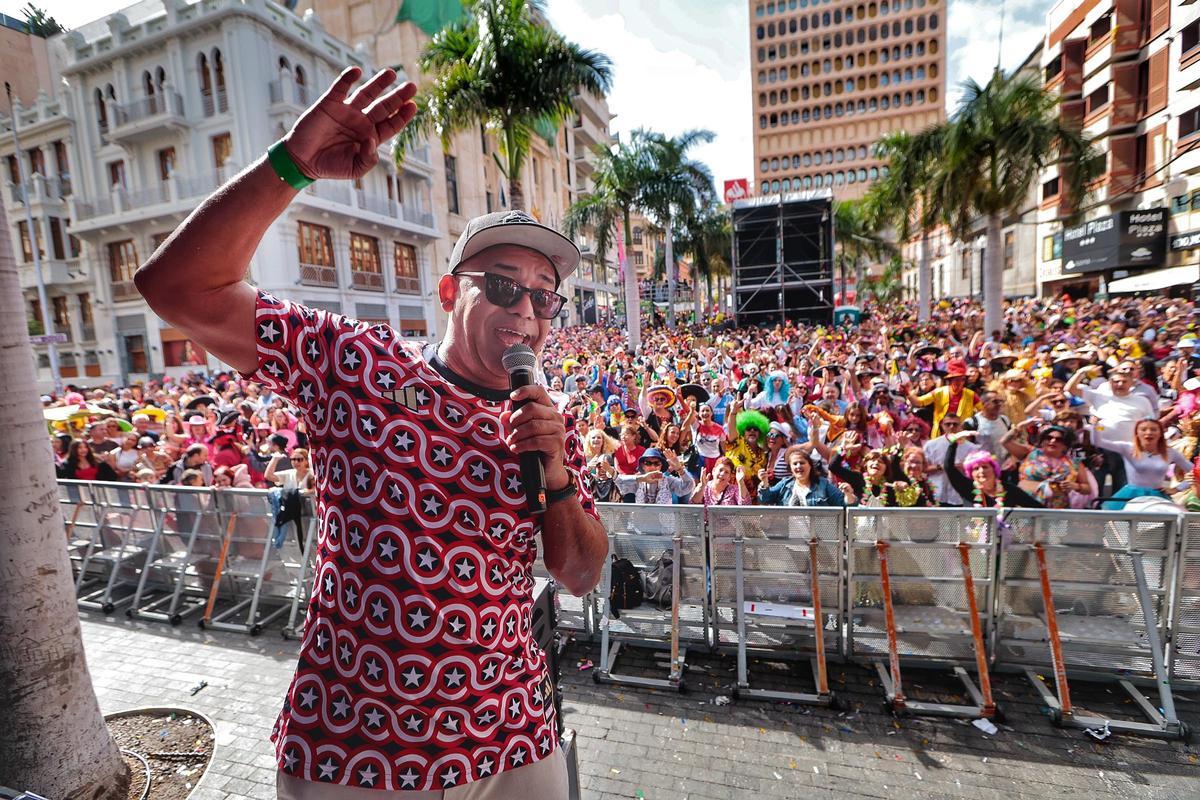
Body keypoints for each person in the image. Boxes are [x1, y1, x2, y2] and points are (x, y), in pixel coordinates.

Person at [134, 65, 606, 794]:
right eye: (505, 286)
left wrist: (557, 475)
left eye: (546, 299)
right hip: (360, 747)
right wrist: (292, 163)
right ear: (450, 291)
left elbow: (577, 574)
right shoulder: (355, 362)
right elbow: (176, 286)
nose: (528, 314)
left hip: (511, 730)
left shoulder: (545, 418)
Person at [1095, 418, 1190, 509]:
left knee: (1157, 523)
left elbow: (1195, 471)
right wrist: (1097, 425)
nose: (1148, 433)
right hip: (1131, 496)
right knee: (1122, 524)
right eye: (1143, 429)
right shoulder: (1127, 448)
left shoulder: (1170, 452)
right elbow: (1098, 442)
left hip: (1157, 497)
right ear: (1137, 433)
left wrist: (1177, 489)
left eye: (1153, 429)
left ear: (1161, 433)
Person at [906, 358, 979, 437]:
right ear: (950, 380)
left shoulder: (971, 395)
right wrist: (907, 392)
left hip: (962, 435)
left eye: (962, 379)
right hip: (940, 435)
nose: (959, 382)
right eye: (956, 379)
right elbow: (919, 402)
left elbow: (983, 410)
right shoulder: (939, 392)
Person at [757, 446, 847, 506]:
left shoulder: (823, 484)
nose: (798, 466)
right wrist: (764, 482)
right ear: (790, 469)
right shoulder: (784, 484)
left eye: (802, 463)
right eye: (795, 464)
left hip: (816, 534)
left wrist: (849, 495)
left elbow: (843, 503)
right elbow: (765, 499)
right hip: (789, 533)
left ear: (810, 466)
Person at [613, 447, 696, 504]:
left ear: (661, 466)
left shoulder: (668, 481)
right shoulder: (638, 480)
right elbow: (620, 482)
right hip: (641, 526)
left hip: (664, 528)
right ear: (643, 466)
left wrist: (679, 469)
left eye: (656, 463)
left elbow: (688, 486)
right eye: (648, 463)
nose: (652, 467)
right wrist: (640, 478)